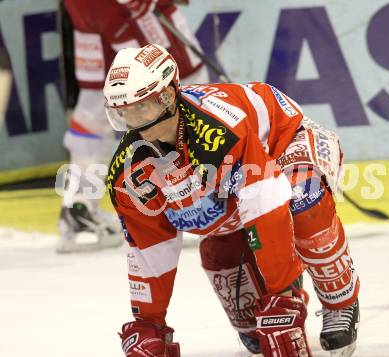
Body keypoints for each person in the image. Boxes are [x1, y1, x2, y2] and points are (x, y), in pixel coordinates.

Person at [103, 44, 360, 357]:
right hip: (235, 180)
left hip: (287, 140)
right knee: (222, 258)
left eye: (139, 108)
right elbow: (149, 247)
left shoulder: (219, 131)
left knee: (303, 198)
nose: (131, 120)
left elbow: (264, 203)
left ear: (168, 97)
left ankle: (340, 300)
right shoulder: (128, 173)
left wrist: (283, 296)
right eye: (122, 112)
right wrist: (149, 322)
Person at [57, 0, 208, 253]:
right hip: (128, 7)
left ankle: (77, 206)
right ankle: (191, 203)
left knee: (98, 95)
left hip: (85, 7)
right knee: (180, 78)